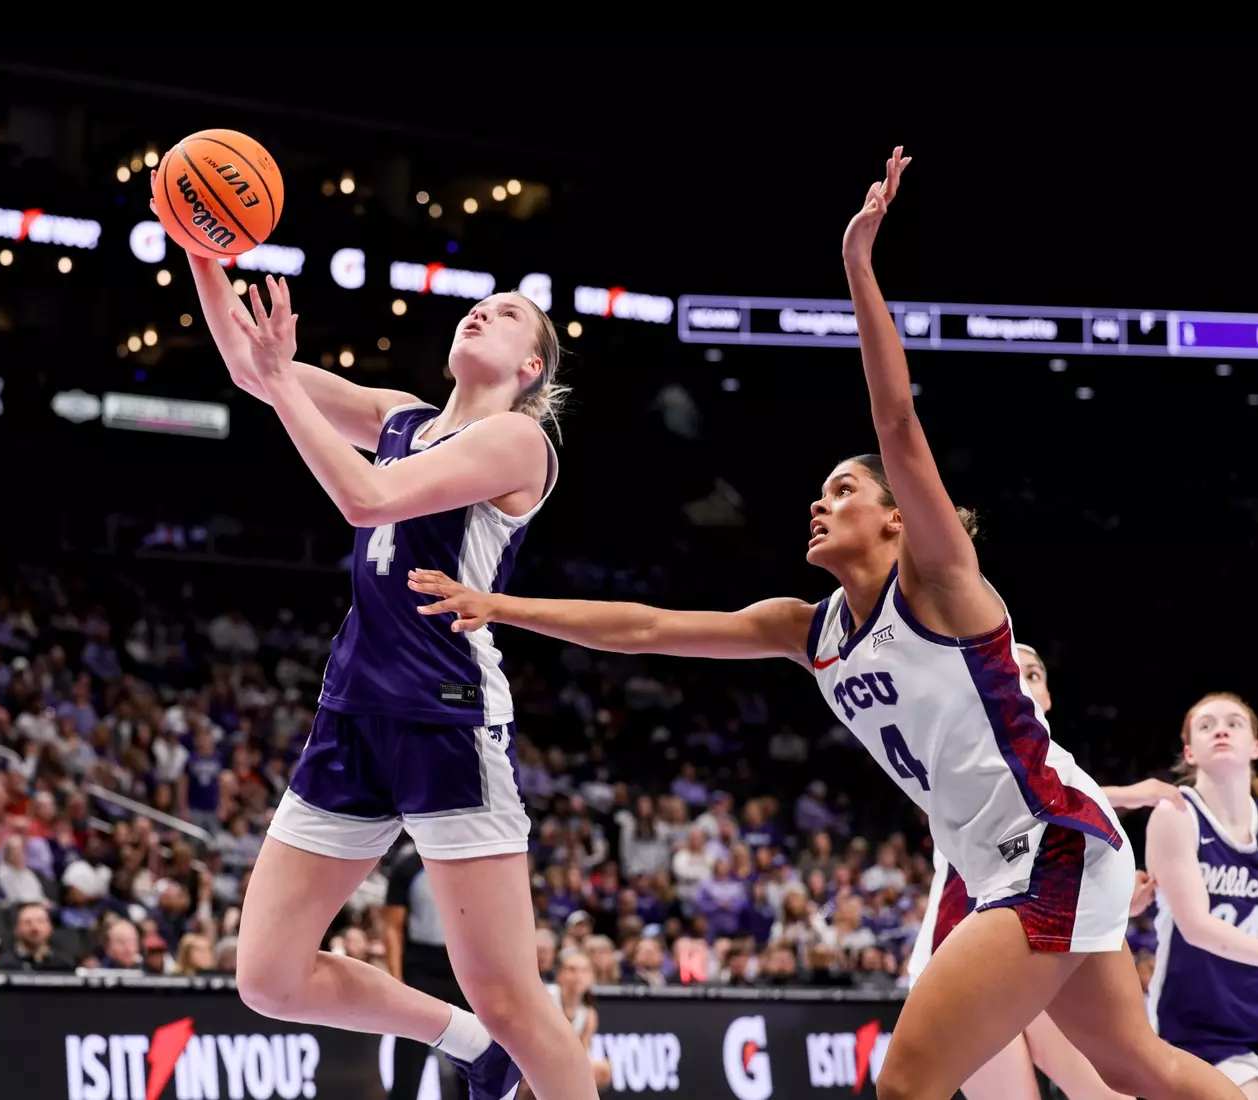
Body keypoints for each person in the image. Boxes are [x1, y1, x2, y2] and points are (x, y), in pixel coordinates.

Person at [404, 148, 1242, 1100]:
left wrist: (858, 267)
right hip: (1000, 854)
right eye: (817, 491)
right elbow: (642, 627)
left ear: (895, 517)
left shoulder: (943, 587)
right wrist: (498, 604)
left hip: (1047, 840)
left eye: (840, 491)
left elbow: (894, 420)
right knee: (1139, 1067)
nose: (818, 503)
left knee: (910, 1080)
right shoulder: (808, 627)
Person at [172, 167, 583, 1100]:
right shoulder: (401, 417)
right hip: (353, 711)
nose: (482, 313)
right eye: (476, 305)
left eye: (507, 314)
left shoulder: (520, 444)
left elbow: (366, 497)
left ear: (531, 369)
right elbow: (249, 365)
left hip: (445, 716)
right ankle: (469, 1046)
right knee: (269, 976)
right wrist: (205, 252)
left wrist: (282, 384)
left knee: (515, 993)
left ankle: (504, 1040)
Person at [907, 643, 1183, 1100]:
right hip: (959, 967)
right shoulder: (963, 758)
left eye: (1033, 674)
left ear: (1049, 696)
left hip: (1038, 957)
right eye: (1009, 671)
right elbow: (1027, 800)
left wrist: (1113, 895)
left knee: (1112, 1092)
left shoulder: (1068, 782)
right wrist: (1126, 794)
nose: (1021, 679)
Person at [1147, 693, 1258, 1096]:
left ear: (1255, 745)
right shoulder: (1176, 813)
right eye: (1207, 725)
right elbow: (1196, 927)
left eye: (1235, 722)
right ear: (1190, 752)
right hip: (1195, 1029)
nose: (1222, 729)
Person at [384, 840, 469, 1100]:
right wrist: (397, 979)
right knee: (410, 1050)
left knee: (471, 1048)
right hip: (420, 965)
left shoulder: (468, 865)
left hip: (463, 967)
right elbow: (392, 926)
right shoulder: (408, 867)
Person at [521, 950, 611, 1099]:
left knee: (601, 1070)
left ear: (591, 977)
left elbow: (582, 1057)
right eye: (572, 970)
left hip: (562, 1070)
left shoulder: (588, 1015)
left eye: (584, 970)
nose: (578, 976)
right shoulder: (545, 997)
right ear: (559, 975)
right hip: (532, 1063)